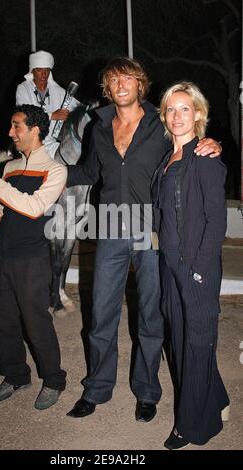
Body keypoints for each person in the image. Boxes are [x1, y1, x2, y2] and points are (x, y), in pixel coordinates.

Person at [65, 57, 222, 420]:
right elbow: (88, 171)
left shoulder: (160, 123)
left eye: (128, 79)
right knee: (101, 313)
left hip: (152, 229)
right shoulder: (98, 128)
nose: (121, 85)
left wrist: (210, 143)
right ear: (107, 89)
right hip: (108, 228)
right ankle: (97, 389)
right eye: (114, 80)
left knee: (150, 316)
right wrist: (46, 169)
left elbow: (187, 146)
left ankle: (147, 391)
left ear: (140, 85)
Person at [0, 105, 67, 410]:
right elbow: (5, 204)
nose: (11, 132)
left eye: (17, 126)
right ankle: (16, 375)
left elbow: (35, 206)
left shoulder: (56, 170)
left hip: (31, 259)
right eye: (12, 126)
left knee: (36, 322)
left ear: (36, 129)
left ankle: (53, 380)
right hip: (1, 254)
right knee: (1, 321)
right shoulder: (8, 167)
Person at [152, 82, 229, 449]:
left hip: (195, 267)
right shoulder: (167, 159)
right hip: (170, 266)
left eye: (185, 108)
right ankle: (216, 399)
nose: (177, 115)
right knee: (182, 342)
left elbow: (216, 221)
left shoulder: (205, 157)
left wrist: (198, 268)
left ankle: (192, 426)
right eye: (171, 109)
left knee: (196, 345)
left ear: (198, 114)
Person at [16, 50, 79, 156]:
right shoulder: (23, 88)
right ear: (32, 71)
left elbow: (78, 108)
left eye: (47, 70)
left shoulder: (58, 90)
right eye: (39, 70)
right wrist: (52, 115)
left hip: (53, 144)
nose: (44, 74)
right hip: (30, 143)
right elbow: (23, 117)